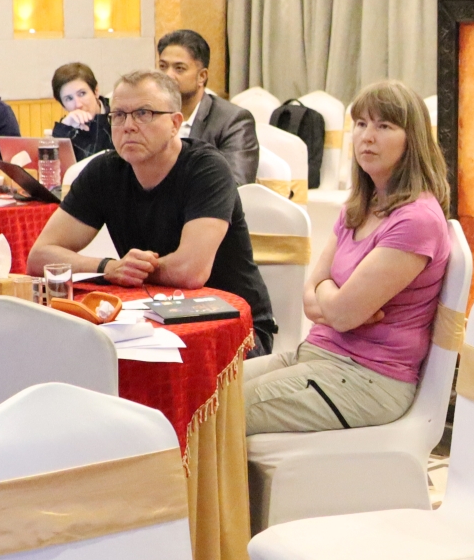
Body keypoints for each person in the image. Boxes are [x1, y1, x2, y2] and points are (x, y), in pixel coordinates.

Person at [245, 80, 452, 434]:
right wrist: (338, 301)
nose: (367, 137)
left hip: (369, 379)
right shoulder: (359, 206)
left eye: (384, 126)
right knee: (202, 391)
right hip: (318, 355)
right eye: (360, 124)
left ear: (412, 140)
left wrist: (334, 301)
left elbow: (339, 314)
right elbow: (311, 301)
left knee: (216, 413)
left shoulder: (416, 220)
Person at [28, 70, 276, 352]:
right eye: (119, 115)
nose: (128, 126)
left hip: (234, 327)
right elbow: (40, 257)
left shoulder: (207, 169)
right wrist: (109, 268)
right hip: (147, 320)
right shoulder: (104, 172)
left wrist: (129, 272)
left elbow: (190, 272)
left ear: (175, 123)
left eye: (143, 113)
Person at [157, 29, 258, 184]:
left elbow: (234, 184)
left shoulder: (233, 121)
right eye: (163, 66)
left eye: (179, 68)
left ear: (202, 76)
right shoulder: (149, 114)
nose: (168, 75)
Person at [50, 61, 113, 160]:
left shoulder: (117, 116)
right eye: (69, 99)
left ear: (96, 91)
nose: (78, 104)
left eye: (82, 93)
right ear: (62, 105)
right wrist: (64, 132)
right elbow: (53, 166)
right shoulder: (66, 127)